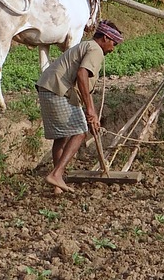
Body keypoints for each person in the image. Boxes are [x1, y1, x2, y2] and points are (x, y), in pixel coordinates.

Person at [35, 19, 124, 192]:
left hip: (48, 87)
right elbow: (82, 75)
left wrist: (91, 112)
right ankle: (56, 174)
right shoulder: (95, 49)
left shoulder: (86, 46)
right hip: (57, 89)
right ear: (105, 38)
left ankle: (57, 184)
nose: (113, 48)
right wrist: (90, 110)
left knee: (62, 136)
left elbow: (82, 86)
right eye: (113, 43)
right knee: (80, 132)